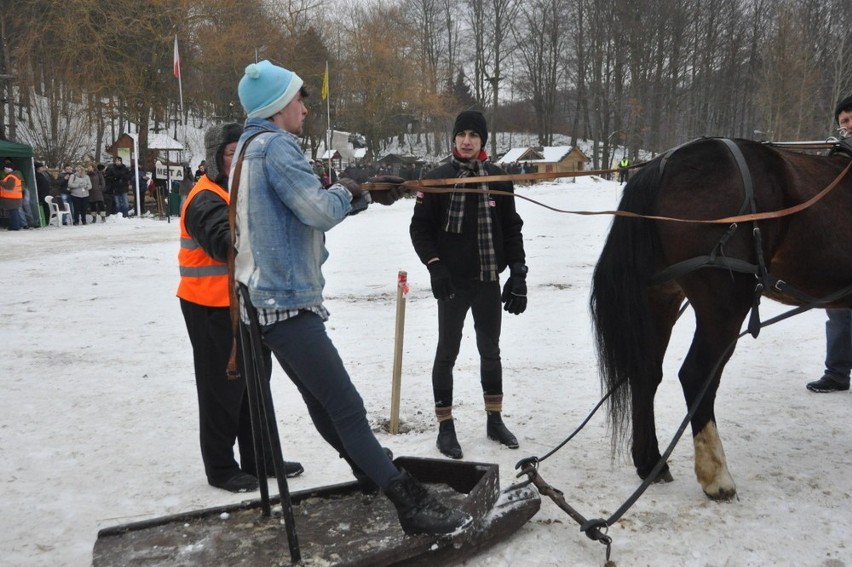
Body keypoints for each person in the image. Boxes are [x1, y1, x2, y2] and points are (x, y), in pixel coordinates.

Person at [232, 59, 469, 536]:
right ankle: (408, 502)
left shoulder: (248, 146)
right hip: (287, 303)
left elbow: (298, 209)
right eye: (299, 99)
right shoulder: (277, 146)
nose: (304, 107)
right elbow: (319, 209)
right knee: (345, 406)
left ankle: (369, 471)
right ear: (278, 105)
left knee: (323, 406)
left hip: (264, 304)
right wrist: (344, 187)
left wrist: (364, 195)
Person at [178, 122, 304, 493]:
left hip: (246, 304)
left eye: (244, 152)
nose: (239, 161)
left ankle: (261, 457)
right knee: (222, 388)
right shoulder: (205, 197)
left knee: (256, 384)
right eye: (232, 153)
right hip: (211, 306)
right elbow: (223, 242)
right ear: (217, 158)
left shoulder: (242, 192)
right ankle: (220, 467)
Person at [409, 110, 528, 460]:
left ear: (483, 142)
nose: (466, 140)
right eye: (462, 134)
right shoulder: (437, 179)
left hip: (488, 279)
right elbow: (420, 230)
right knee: (447, 351)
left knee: (491, 350)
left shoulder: (498, 179)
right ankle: (446, 427)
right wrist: (435, 266)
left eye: (474, 135)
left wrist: (518, 272)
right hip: (452, 283)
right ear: (454, 139)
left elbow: (511, 228)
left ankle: (494, 419)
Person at [807, 95, 852, 393]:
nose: (848, 125)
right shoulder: (838, 157)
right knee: (838, 311)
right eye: (844, 122)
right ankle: (836, 373)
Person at [0, 159, 23, 230]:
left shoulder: (11, 177)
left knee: (13, 212)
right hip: (14, 198)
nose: (4, 170)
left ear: (8, 169)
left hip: (12, 198)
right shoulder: (13, 175)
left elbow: (9, 186)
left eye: (5, 168)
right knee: (14, 212)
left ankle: (15, 226)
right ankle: (16, 225)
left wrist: (1, 182)